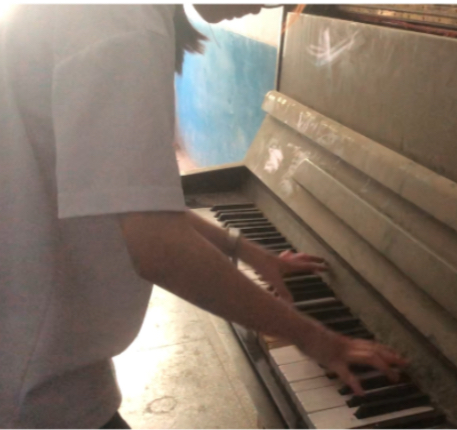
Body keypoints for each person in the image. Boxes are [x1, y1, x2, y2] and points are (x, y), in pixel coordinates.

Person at [0, 4, 406, 428]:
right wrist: (318, 339)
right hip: (31, 387)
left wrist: (248, 251)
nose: (269, 5)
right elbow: (158, 247)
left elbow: (120, 198)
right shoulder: (122, 24)